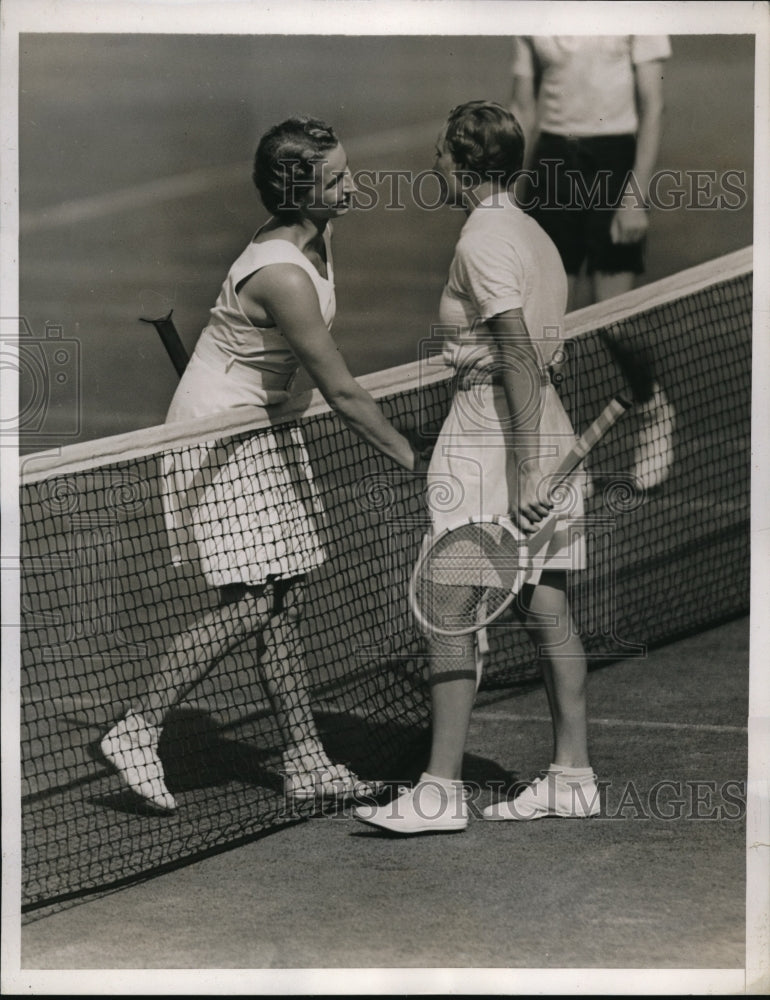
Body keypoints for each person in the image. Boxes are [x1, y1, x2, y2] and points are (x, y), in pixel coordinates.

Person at [101, 116, 426, 812]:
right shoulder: (281, 274)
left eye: (347, 171)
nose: (353, 187)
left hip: (262, 425)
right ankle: (138, 727)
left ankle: (305, 757)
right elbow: (339, 387)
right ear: (295, 190)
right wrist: (410, 458)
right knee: (252, 601)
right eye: (335, 180)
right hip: (219, 437)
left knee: (285, 600)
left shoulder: (317, 231)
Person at [354, 101, 599, 834]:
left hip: (499, 435)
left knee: (448, 606)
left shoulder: (482, 240)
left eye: (440, 151)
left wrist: (523, 472)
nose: (434, 163)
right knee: (547, 606)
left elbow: (516, 354)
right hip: (536, 422)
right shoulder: (533, 234)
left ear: (463, 161)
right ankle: (572, 775)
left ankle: (440, 791)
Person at [510, 35, 674, 490]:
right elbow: (523, 106)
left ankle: (654, 409)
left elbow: (654, 106)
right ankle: (560, 450)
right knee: (543, 323)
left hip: (613, 162)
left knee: (614, 321)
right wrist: (505, 195)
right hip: (551, 164)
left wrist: (635, 196)